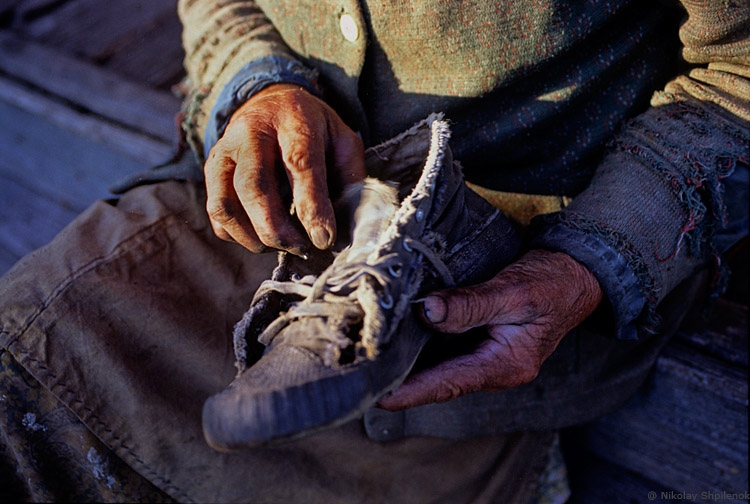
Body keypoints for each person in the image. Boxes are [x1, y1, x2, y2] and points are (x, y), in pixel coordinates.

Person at [0, 0, 747, 502]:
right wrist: (256, 86)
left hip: (500, 290)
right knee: (24, 371)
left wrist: (592, 262)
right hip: (247, 225)